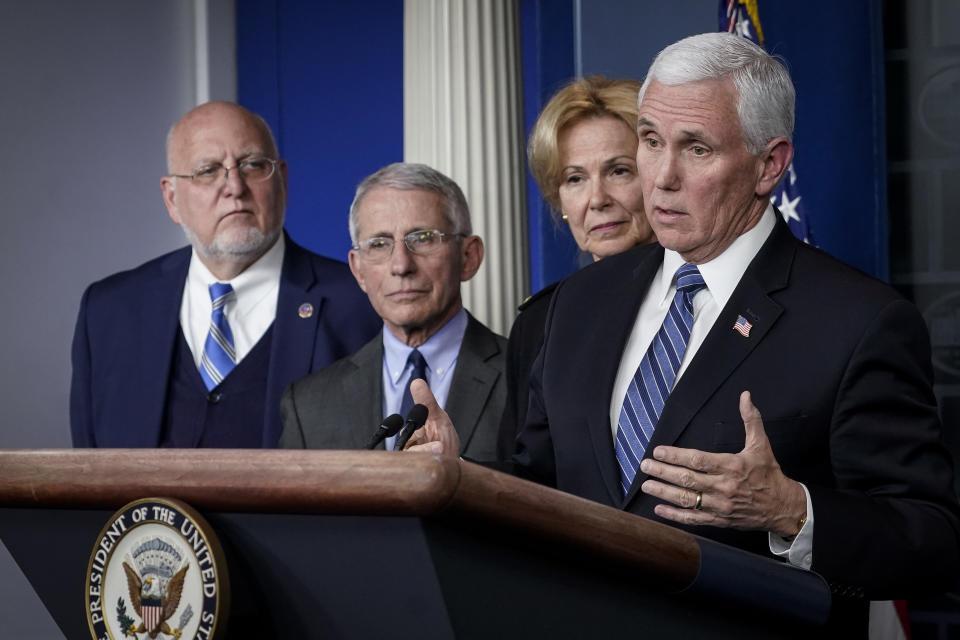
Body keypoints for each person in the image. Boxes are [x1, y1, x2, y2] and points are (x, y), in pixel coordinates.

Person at [408, 33, 960, 622]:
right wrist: (459, 480)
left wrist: (791, 511)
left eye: (696, 149)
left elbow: (930, 539)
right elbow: (542, 484)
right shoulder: (579, 302)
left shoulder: (858, 322)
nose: (661, 177)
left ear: (768, 164)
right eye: (650, 141)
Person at [70, 101, 380, 448]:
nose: (235, 186)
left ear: (283, 181)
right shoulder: (110, 312)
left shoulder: (361, 305)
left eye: (252, 165)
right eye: (208, 170)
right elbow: (89, 477)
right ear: (171, 198)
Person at [279, 163, 505, 461]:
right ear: (358, 269)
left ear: (468, 257)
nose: (401, 265)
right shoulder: (307, 405)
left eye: (423, 238)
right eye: (379, 244)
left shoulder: (528, 380)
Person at [499, 77, 655, 460]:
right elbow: (526, 474)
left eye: (619, 171)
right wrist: (456, 465)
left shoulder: (704, 294)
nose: (597, 199)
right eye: (575, 179)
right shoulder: (539, 323)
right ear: (560, 201)